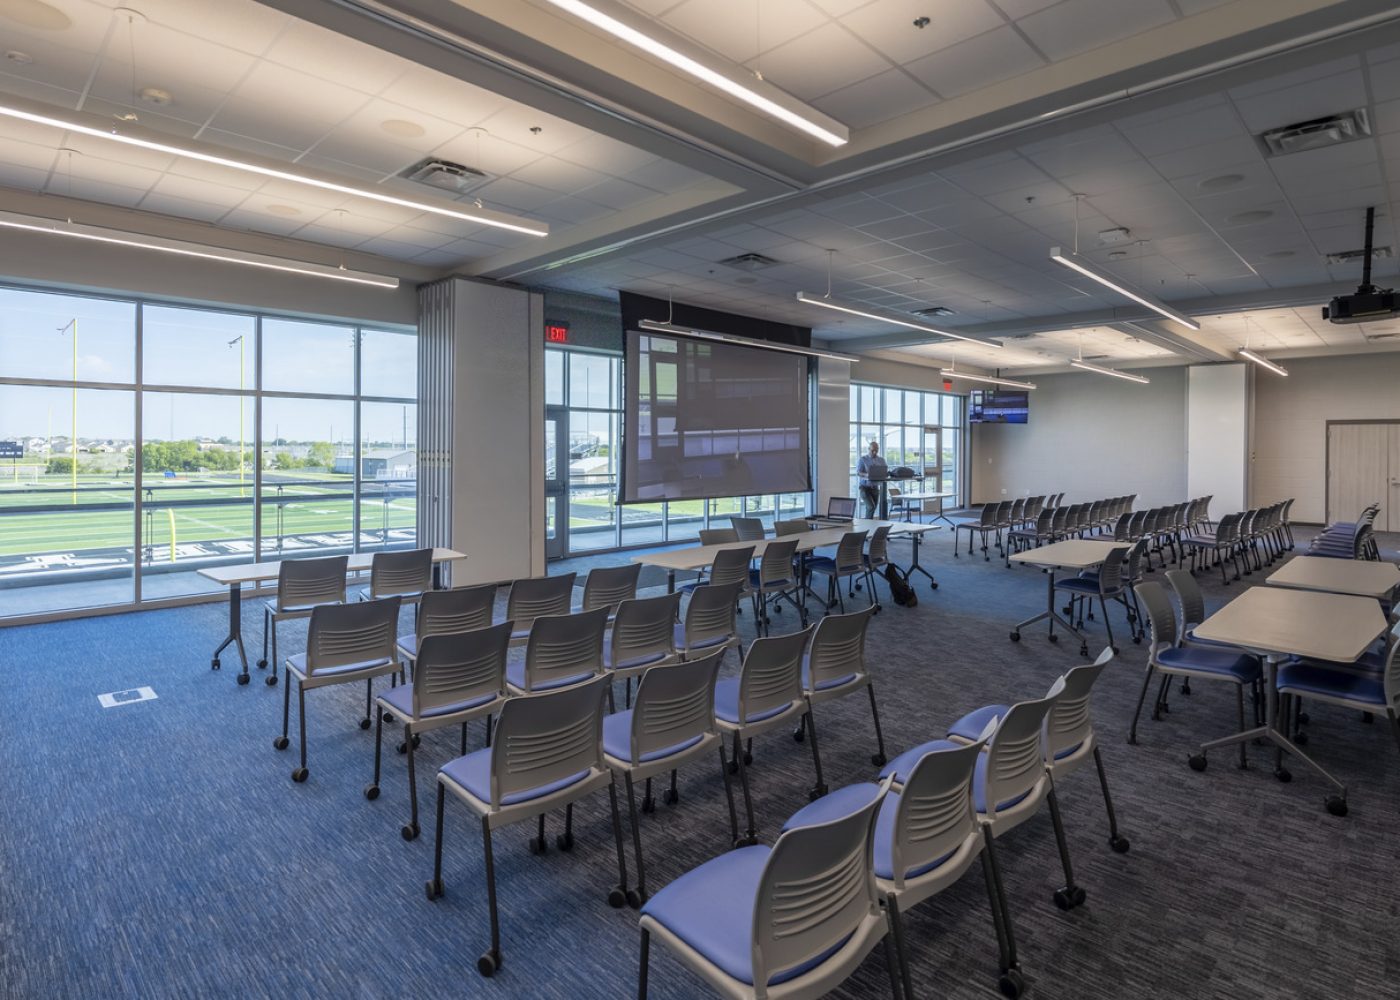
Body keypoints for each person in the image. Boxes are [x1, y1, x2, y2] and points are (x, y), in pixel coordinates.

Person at [856, 440, 887, 518]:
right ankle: (867, 525)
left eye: (876, 450)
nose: (874, 452)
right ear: (868, 449)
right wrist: (867, 474)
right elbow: (859, 472)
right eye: (873, 450)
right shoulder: (863, 459)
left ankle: (867, 524)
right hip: (865, 488)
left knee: (872, 508)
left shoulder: (881, 460)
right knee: (871, 507)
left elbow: (885, 470)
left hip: (875, 488)